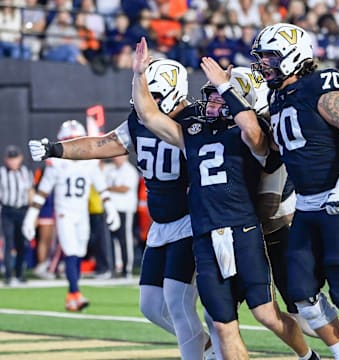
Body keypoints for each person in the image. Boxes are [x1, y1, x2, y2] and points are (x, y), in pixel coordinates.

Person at [131, 37, 319, 360]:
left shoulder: (253, 132)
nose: (214, 101)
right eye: (213, 96)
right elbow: (150, 116)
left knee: (266, 315)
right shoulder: (194, 132)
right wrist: (138, 76)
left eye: (221, 96)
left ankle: (307, 356)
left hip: (242, 232)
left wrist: (227, 87)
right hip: (205, 236)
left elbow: (255, 135)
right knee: (221, 325)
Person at [26, 63, 215, 359]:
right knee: (151, 306)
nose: (145, 103)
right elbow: (102, 144)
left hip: (192, 219)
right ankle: (208, 345)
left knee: (178, 301)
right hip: (162, 223)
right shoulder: (139, 121)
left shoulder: (195, 120)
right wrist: (55, 149)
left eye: (152, 95)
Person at [233, 65, 339, 356]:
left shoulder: (321, 85)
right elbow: (278, 144)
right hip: (307, 203)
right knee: (303, 296)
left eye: (270, 56)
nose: (265, 63)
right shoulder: (279, 97)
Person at [22, 120, 120, 311]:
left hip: (82, 213)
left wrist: (111, 208)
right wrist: (31, 215)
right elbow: (42, 192)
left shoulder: (90, 164)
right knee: (71, 251)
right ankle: (74, 292)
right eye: (70, 140)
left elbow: (101, 188)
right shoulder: (56, 165)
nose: (74, 144)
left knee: (79, 252)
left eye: (77, 140)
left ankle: (72, 294)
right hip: (65, 212)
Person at [0, 145, 33, 285]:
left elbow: (30, 192)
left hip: (23, 211)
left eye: (15, 158)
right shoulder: (1, 173)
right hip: (7, 210)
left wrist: (33, 214)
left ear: (20, 158)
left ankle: (19, 273)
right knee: (8, 242)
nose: (13, 162)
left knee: (22, 243)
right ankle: (8, 275)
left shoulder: (25, 172)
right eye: (10, 158)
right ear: (5, 159)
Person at [106, 155, 139, 279]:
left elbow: (125, 188)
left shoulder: (129, 171)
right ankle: (114, 267)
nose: (116, 159)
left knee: (125, 240)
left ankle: (127, 268)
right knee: (112, 240)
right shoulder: (111, 170)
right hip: (113, 210)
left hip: (125, 209)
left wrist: (108, 188)